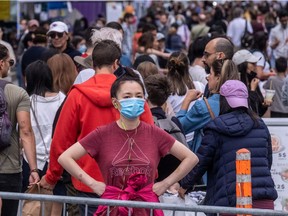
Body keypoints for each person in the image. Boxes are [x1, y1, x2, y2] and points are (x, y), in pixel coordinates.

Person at [58, 70, 199, 216]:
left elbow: (191, 158)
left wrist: (165, 184)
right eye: (127, 96)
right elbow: (65, 157)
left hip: (146, 209)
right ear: (115, 102)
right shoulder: (102, 134)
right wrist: (93, 184)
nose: (134, 100)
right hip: (112, 208)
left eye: (139, 96)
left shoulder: (155, 133)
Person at [39, 40, 154, 216]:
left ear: (93, 64)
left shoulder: (77, 95)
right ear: (116, 63)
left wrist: (52, 177)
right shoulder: (134, 96)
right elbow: (150, 139)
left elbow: (61, 141)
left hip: (89, 183)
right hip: (129, 185)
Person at [179, 80, 278, 214]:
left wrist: (183, 185)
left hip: (230, 201)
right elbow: (267, 162)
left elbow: (200, 162)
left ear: (223, 101)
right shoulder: (260, 125)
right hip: (264, 200)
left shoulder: (216, 127)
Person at [0, 44, 39, 216]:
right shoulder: (17, 93)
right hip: (9, 169)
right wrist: (33, 169)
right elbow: (25, 131)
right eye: (10, 61)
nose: (10, 65)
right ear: (1, 63)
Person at [24, 60, 66, 215]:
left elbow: (24, 132)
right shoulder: (63, 99)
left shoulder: (28, 102)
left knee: (31, 207)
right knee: (57, 207)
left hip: (31, 162)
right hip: (58, 162)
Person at [176, 59, 239, 153]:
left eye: (210, 73)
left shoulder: (204, 107)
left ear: (218, 78)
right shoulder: (242, 104)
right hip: (232, 157)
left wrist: (187, 100)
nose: (207, 77)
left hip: (207, 161)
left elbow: (179, 128)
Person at [232, 49, 270, 117]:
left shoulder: (253, 80)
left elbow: (257, 112)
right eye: (252, 63)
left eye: (256, 63)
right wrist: (252, 90)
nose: (256, 66)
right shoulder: (235, 85)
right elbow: (246, 110)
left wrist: (264, 106)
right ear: (243, 65)